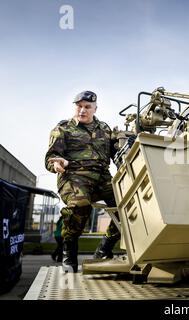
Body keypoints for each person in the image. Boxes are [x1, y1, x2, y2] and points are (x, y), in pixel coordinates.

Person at [45, 90, 121, 272]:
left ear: (95, 108)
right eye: (79, 106)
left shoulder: (105, 129)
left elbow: (118, 153)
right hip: (73, 176)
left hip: (103, 177)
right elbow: (51, 157)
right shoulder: (63, 129)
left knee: (130, 206)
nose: (82, 110)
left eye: (87, 107)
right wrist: (57, 163)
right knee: (80, 204)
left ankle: (104, 249)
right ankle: (69, 252)